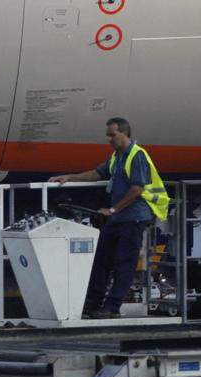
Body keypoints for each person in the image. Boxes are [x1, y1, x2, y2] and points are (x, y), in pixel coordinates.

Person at [49, 117, 168, 318]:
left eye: (112, 135)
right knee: (101, 260)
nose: (109, 139)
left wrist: (113, 210)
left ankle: (112, 308)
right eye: (107, 135)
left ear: (124, 133)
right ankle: (93, 304)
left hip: (133, 218)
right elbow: (97, 173)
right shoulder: (117, 156)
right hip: (119, 219)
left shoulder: (137, 156)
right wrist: (69, 177)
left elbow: (137, 188)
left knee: (124, 264)